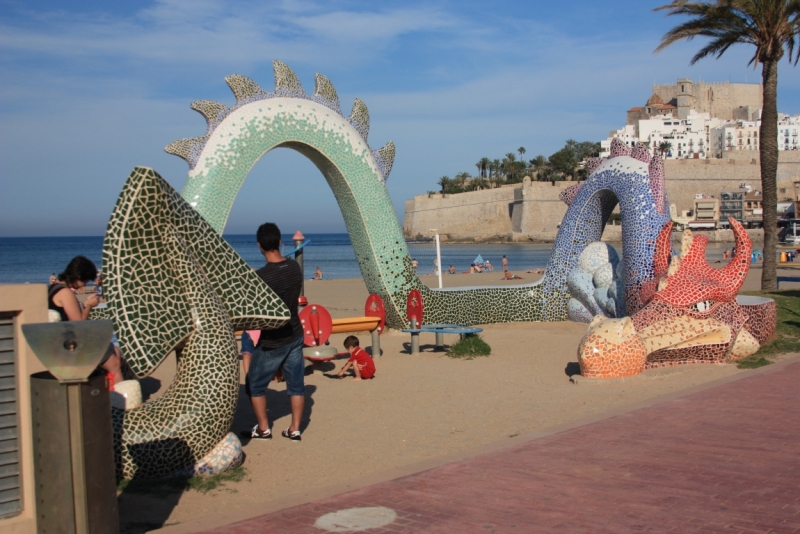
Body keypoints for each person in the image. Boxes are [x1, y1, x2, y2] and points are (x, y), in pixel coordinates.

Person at [242, 223, 306, 442]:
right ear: (280, 242)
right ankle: (295, 429)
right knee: (296, 384)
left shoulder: (261, 278)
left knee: (254, 385)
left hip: (273, 340)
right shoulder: (294, 268)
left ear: (259, 246)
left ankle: (263, 428)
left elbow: (256, 310)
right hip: (295, 333)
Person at [48, 256, 123, 384]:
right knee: (115, 364)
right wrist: (89, 305)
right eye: (85, 281)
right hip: (71, 346)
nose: (85, 285)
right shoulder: (65, 293)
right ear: (78, 276)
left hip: (60, 341)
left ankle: (109, 391)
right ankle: (121, 400)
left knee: (115, 350)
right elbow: (79, 324)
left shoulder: (53, 288)